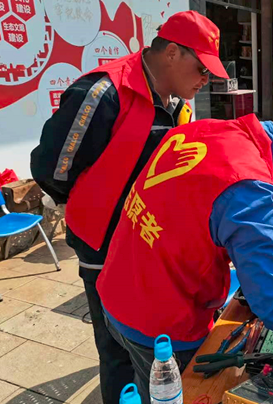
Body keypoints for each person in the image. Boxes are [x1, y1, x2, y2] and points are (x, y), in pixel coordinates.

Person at [30, 11, 229, 404]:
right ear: (171, 52)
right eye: (202, 68)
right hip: (105, 247)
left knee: (150, 347)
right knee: (116, 350)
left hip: (150, 243)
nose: (206, 80)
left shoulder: (177, 103)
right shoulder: (106, 92)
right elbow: (51, 167)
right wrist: (100, 202)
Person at [96, 115, 273, 401]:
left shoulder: (207, 129)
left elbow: (193, 210)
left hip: (115, 289)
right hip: (160, 325)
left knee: (131, 387)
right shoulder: (252, 188)